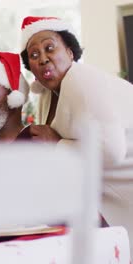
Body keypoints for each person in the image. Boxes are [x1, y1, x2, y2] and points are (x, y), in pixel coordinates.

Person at [19, 16, 133, 248]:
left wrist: (56, 142)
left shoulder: (81, 79)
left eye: (49, 48)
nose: (43, 59)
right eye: (34, 55)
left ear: (70, 52)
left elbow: (111, 151)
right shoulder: (47, 95)